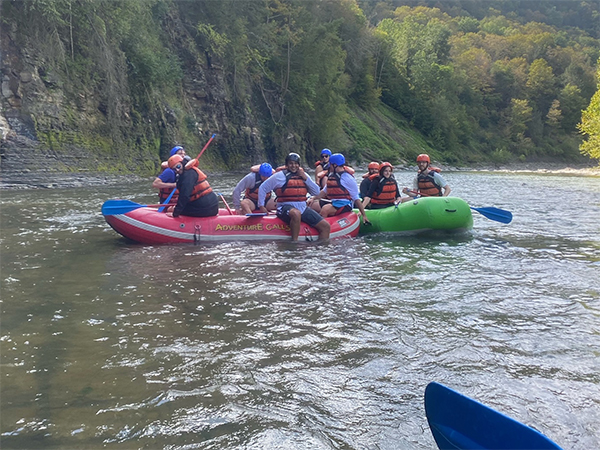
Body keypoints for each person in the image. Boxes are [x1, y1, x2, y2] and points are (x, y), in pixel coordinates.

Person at [257, 152, 330, 241]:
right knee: (296, 213)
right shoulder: (279, 176)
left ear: (299, 165)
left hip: (302, 208)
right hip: (283, 208)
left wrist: (305, 178)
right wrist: (261, 206)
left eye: (295, 163)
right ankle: (294, 244)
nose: (293, 166)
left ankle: (321, 249)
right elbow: (263, 188)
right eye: (291, 163)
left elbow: (316, 192)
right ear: (287, 165)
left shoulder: (304, 175)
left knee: (325, 227)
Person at [312, 153, 371, 225]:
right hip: (333, 202)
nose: (329, 166)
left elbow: (356, 198)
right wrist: (314, 198)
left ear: (335, 165)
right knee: (312, 205)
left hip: (345, 205)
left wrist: (364, 215)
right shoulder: (332, 175)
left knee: (325, 209)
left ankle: (323, 227)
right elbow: (324, 191)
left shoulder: (348, 178)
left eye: (330, 165)